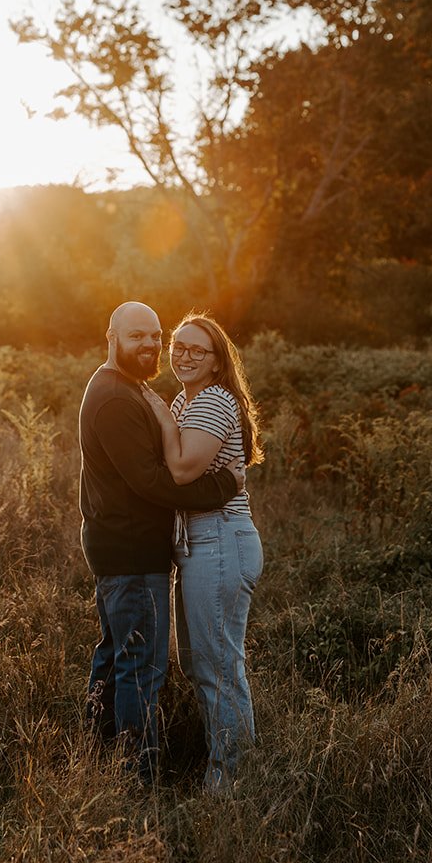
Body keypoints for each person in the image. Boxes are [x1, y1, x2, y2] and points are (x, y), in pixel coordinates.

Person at [79, 300, 242, 784]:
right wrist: (224, 486)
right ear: (111, 338)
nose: (150, 345)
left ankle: (96, 758)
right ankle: (137, 777)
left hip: (126, 549)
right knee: (142, 668)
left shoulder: (131, 390)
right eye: (137, 337)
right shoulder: (114, 397)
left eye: (156, 336)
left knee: (115, 657)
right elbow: (150, 480)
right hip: (131, 553)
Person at [142, 311, 264, 791]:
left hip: (220, 538)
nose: (184, 355)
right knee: (201, 662)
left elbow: (180, 471)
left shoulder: (213, 400)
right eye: (178, 345)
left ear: (216, 362)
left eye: (197, 349)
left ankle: (231, 778)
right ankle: (227, 761)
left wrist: (151, 407)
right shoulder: (187, 401)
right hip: (202, 543)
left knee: (218, 665)